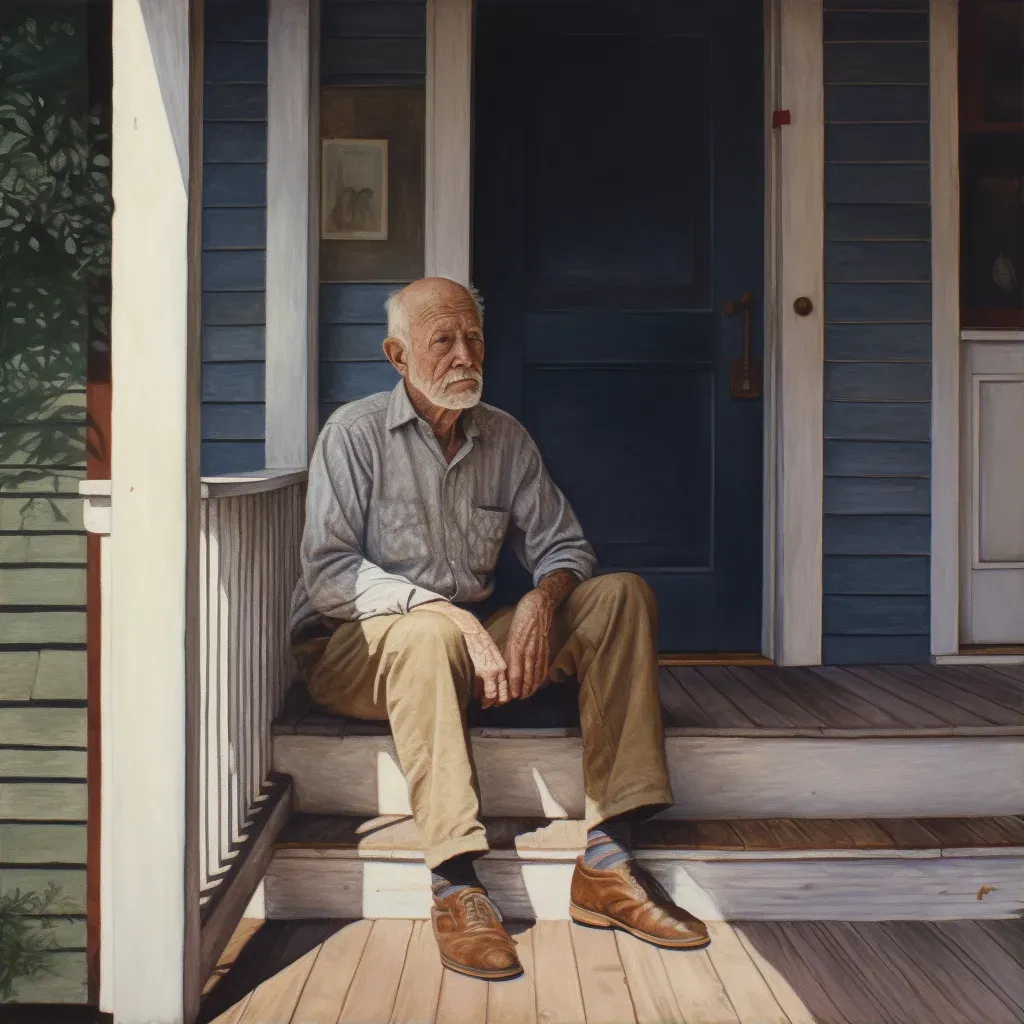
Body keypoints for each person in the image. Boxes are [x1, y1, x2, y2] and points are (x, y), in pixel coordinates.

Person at [290, 277, 709, 980]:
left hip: (465, 646)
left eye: (473, 338)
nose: (464, 355)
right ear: (398, 356)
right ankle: (455, 883)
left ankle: (608, 862)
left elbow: (566, 547)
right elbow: (330, 573)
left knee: (621, 595)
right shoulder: (354, 435)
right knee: (426, 631)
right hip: (352, 651)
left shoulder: (504, 437)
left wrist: (545, 601)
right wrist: (440, 610)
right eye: (443, 341)